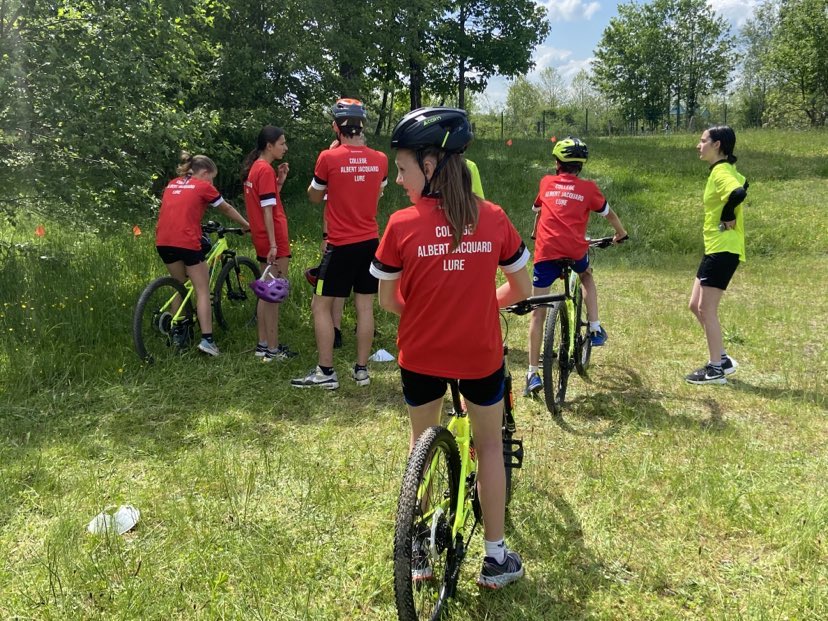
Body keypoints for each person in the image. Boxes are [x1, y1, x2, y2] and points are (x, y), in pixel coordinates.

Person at [371, 107, 532, 589]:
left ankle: (418, 549)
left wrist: (429, 312)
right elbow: (520, 289)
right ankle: (496, 558)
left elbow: (388, 300)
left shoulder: (400, 224)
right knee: (490, 447)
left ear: (430, 165)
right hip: (479, 354)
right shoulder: (494, 218)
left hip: (420, 353)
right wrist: (481, 306)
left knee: (420, 440)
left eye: (403, 169)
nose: (399, 180)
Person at [292, 99, 388, 389]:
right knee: (365, 307)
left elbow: (313, 196)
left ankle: (325, 371)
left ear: (336, 127)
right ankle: (362, 371)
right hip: (370, 241)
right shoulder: (380, 159)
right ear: (362, 126)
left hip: (341, 243)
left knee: (320, 305)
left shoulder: (328, 157)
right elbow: (378, 195)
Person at [524, 137, 626, 397]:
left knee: (537, 312)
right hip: (574, 250)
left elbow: (538, 209)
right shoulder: (588, 189)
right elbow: (609, 214)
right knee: (586, 276)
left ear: (557, 163)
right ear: (580, 166)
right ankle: (594, 327)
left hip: (546, 252)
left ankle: (532, 373)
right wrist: (620, 233)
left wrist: (535, 232)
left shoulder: (546, 183)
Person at [155, 152, 250, 357]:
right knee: (202, 289)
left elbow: (179, 211)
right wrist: (245, 225)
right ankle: (208, 341)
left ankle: (178, 329)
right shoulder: (203, 186)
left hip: (163, 241)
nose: (212, 182)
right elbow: (226, 208)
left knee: (180, 285)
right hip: (186, 241)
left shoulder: (172, 183)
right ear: (205, 173)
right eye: (212, 178)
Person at [686, 125, 747, 384]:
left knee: (706, 308)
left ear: (717, 145)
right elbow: (744, 182)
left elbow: (738, 192)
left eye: (703, 141)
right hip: (715, 247)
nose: (698, 146)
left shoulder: (721, 171)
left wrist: (728, 213)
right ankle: (722, 359)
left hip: (724, 248)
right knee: (695, 304)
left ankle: (715, 370)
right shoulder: (726, 170)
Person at [241, 125, 297, 362]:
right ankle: (273, 351)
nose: (285, 147)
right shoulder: (264, 170)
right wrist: (274, 244)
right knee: (274, 294)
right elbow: (267, 211)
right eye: (282, 143)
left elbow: (266, 201)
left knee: (265, 292)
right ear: (269, 145)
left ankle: (263, 345)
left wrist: (280, 182)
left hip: (263, 237)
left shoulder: (257, 168)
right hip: (273, 239)